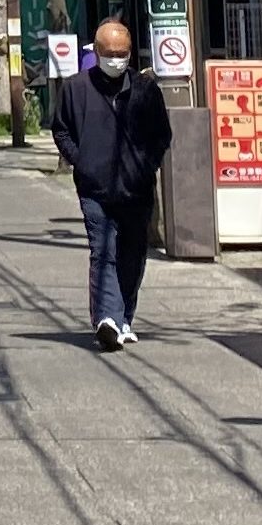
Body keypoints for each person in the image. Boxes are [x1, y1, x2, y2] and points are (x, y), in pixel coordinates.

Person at [50, 18, 171, 346]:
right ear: (97, 51)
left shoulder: (145, 89)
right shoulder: (76, 88)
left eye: (122, 53)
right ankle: (106, 318)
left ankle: (124, 317)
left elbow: (161, 134)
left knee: (133, 252)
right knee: (103, 251)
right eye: (110, 53)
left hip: (137, 187)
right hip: (95, 188)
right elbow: (61, 129)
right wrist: (82, 161)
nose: (116, 59)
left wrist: (146, 166)